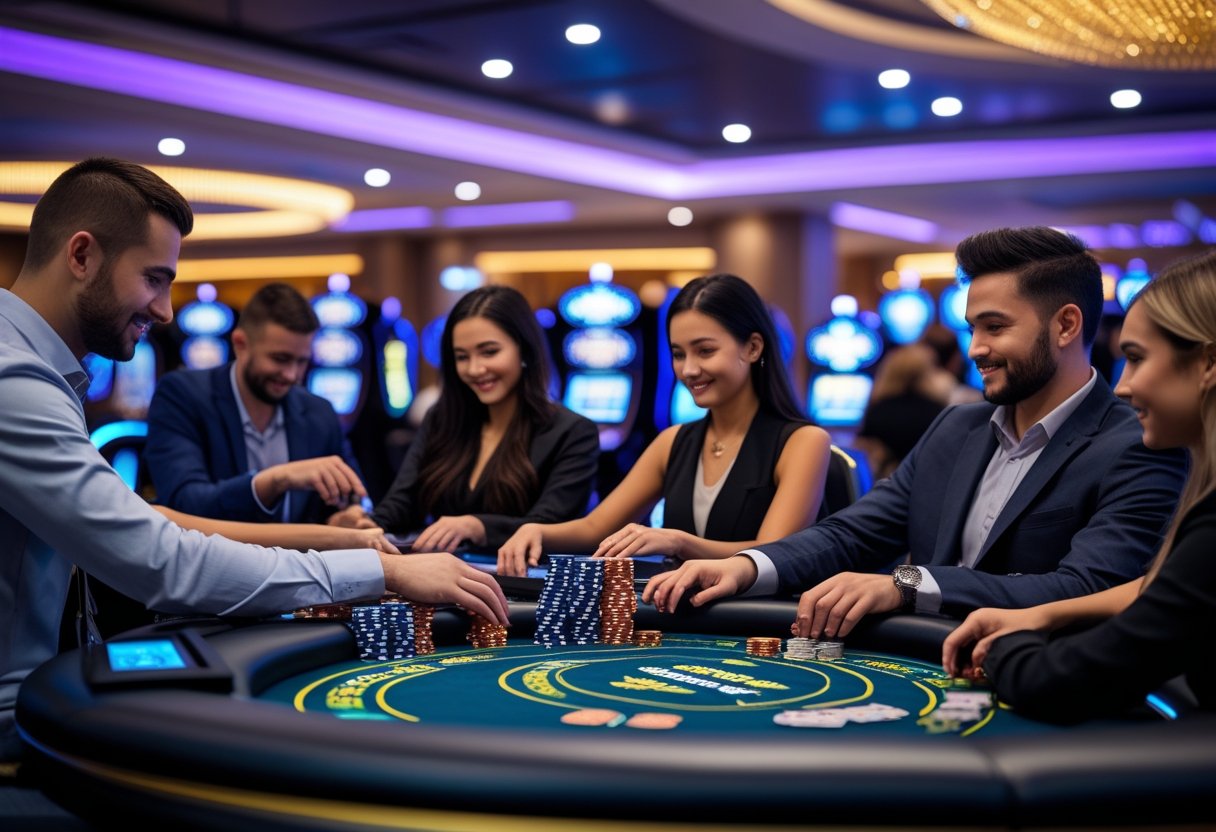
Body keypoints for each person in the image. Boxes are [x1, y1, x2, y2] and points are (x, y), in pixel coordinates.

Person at [0, 157, 508, 762]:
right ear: (81, 256)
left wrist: (347, 544)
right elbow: (163, 562)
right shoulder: (16, 381)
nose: (165, 310)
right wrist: (385, 574)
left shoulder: (48, 376)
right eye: (155, 278)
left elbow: (155, 523)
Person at [644, 227, 1188, 641]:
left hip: (1044, 682)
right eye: (973, 327)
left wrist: (907, 584)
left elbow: (1087, 587)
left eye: (995, 327)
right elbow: (851, 534)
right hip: (921, 659)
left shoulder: (1138, 444)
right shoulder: (956, 427)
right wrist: (743, 567)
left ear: (1066, 326)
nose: (975, 348)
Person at [942, 249, 1216, 723]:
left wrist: (1008, 645)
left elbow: (1062, 680)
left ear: (1208, 363)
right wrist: (1042, 615)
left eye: (1135, 358)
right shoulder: (957, 426)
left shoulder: (1200, 514)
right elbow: (1159, 589)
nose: (1124, 385)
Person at [497, 273, 832, 577]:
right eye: (678, 353)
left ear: (754, 347)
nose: (688, 369)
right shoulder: (673, 441)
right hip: (676, 616)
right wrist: (537, 532)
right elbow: (596, 527)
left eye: (705, 351)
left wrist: (677, 542)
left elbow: (773, 554)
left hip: (760, 624)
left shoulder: (803, 442)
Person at [329, 284, 601, 555]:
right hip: (444, 580)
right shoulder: (443, 418)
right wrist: (367, 523)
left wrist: (477, 526)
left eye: (489, 352)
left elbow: (550, 526)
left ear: (525, 351)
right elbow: (403, 502)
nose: (475, 369)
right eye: (462, 357)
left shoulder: (573, 431)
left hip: (526, 585)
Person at [145, 282, 370, 525]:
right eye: (280, 359)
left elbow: (355, 500)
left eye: (302, 362)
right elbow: (185, 504)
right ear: (241, 344)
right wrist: (277, 479)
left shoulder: (320, 412)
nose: (292, 375)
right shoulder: (182, 394)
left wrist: (346, 518)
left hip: (302, 562)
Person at [853, 343, 946, 481]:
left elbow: (862, 454)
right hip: (928, 482)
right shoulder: (937, 410)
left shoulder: (878, 410)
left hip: (886, 484)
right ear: (925, 372)